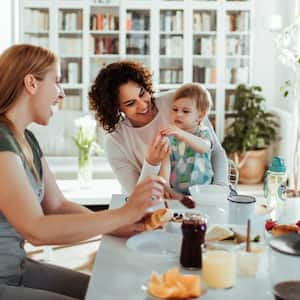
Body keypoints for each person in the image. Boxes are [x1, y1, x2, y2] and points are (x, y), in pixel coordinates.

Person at [0, 44, 165, 300]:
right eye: (57, 81)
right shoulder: (1, 142)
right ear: (31, 83)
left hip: (16, 268)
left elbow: (56, 205)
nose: (61, 93)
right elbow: (37, 230)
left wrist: (121, 224)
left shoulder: (26, 138)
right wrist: (124, 213)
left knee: (110, 292)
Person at [89, 61, 228, 196]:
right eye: (130, 103)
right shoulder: (115, 140)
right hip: (157, 204)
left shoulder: (177, 101)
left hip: (205, 194)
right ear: (116, 108)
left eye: (142, 93)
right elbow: (135, 197)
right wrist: (151, 163)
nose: (143, 105)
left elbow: (214, 150)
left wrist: (220, 190)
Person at [159, 83, 214, 195]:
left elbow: (204, 147)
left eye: (185, 111)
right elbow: (165, 164)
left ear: (200, 116)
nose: (178, 114)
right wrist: (165, 185)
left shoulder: (203, 132)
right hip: (177, 192)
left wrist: (182, 134)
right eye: (175, 109)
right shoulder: (170, 137)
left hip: (203, 191)